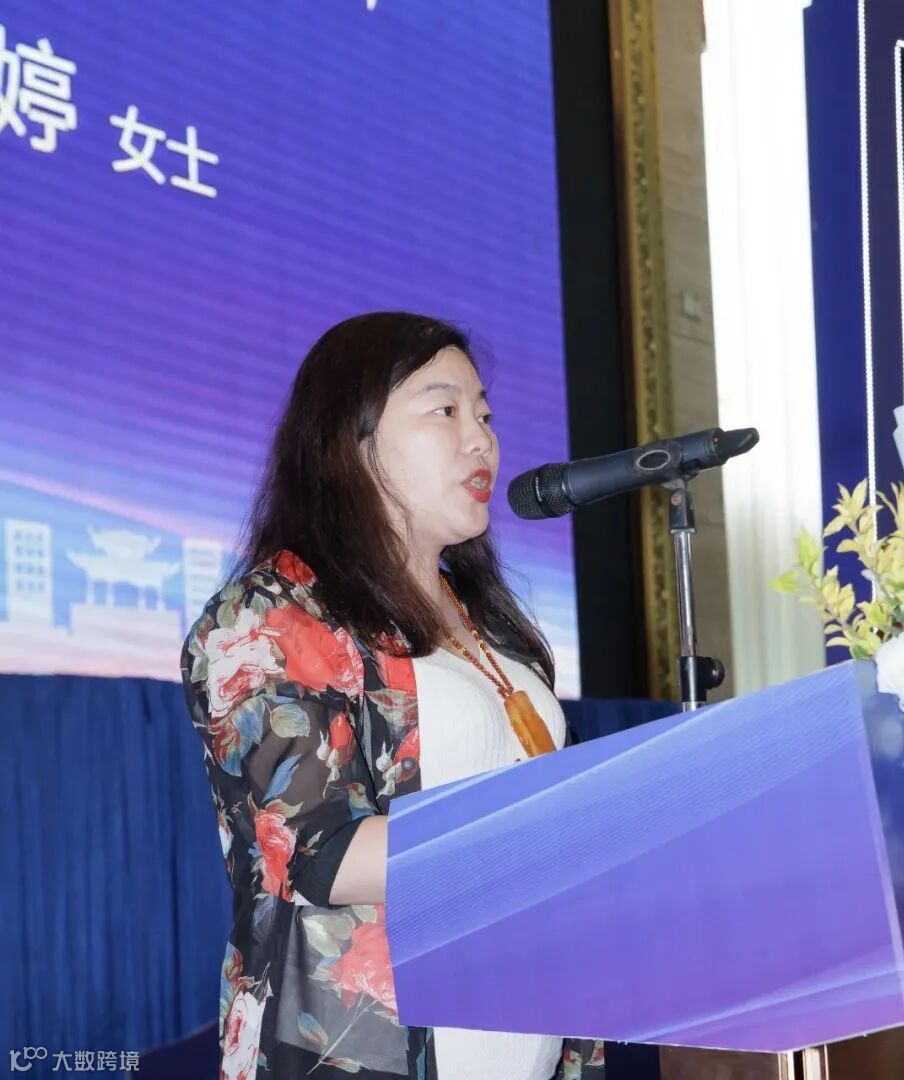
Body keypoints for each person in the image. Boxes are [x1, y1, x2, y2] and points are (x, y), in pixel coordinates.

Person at [180, 312, 605, 1080]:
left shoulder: (490, 622)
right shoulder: (271, 615)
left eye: (485, 416)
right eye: (445, 410)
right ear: (352, 437)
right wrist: (548, 835)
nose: (481, 441)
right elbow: (323, 852)